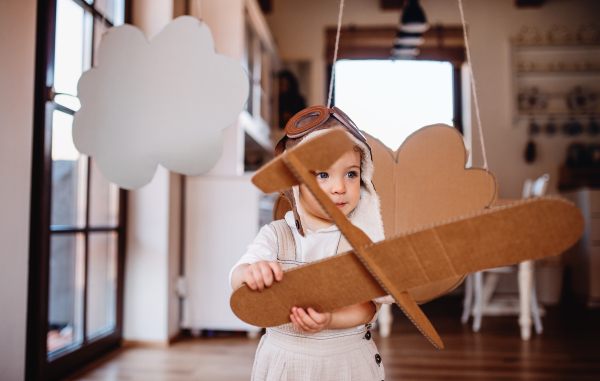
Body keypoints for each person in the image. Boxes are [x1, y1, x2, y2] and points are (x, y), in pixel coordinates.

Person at [230, 105, 392, 380]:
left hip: (347, 360)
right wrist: (250, 274)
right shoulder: (277, 235)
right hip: (285, 361)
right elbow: (238, 276)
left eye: (351, 174)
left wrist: (330, 318)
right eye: (323, 175)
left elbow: (369, 307)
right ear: (296, 182)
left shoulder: (363, 240)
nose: (339, 187)